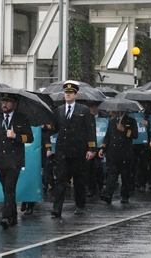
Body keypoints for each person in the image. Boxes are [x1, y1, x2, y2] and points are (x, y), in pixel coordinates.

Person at [46, 80, 97, 218]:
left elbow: (89, 130)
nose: (67, 95)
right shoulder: (59, 110)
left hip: (78, 150)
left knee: (79, 180)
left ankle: (80, 205)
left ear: (75, 94)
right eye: (66, 93)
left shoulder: (83, 110)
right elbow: (55, 128)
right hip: (63, 150)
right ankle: (57, 208)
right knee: (60, 180)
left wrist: (91, 149)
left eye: (70, 93)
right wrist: (46, 127)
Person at [0, 93, 33, 229]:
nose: (4, 104)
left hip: (14, 159)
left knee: (10, 187)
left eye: (8, 101)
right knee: (6, 189)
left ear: (14, 104)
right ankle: (13, 216)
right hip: (0, 159)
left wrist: (16, 136)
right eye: (3, 101)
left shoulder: (21, 118)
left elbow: (30, 138)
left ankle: (6, 216)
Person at [98, 110, 138, 204]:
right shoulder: (112, 121)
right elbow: (108, 136)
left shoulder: (130, 120)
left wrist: (124, 130)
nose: (111, 112)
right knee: (112, 174)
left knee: (125, 175)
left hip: (125, 152)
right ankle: (108, 194)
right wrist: (102, 148)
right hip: (112, 152)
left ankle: (125, 195)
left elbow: (135, 135)